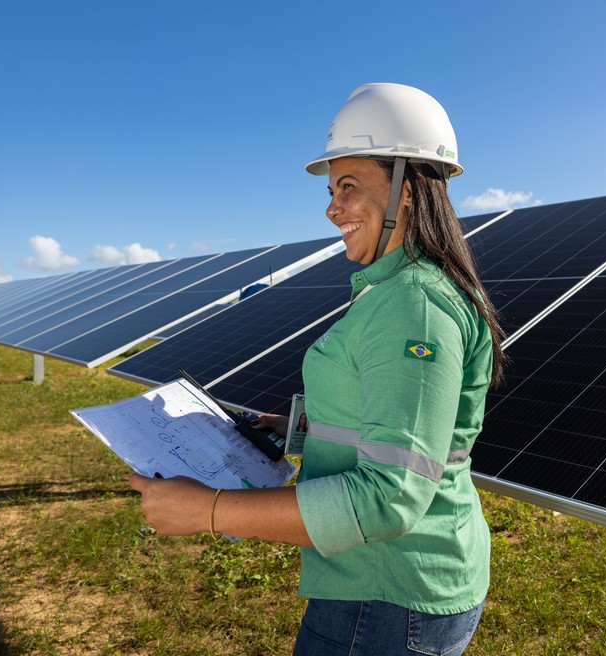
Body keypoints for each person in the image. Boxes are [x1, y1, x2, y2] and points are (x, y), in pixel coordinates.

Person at [129, 82, 506, 655]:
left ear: (408, 190)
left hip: (386, 593)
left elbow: (388, 497)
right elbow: (392, 424)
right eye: (332, 190)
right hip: (385, 586)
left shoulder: (414, 306)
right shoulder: (395, 291)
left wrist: (205, 510)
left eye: (349, 187)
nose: (332, 208)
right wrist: (293, 428)